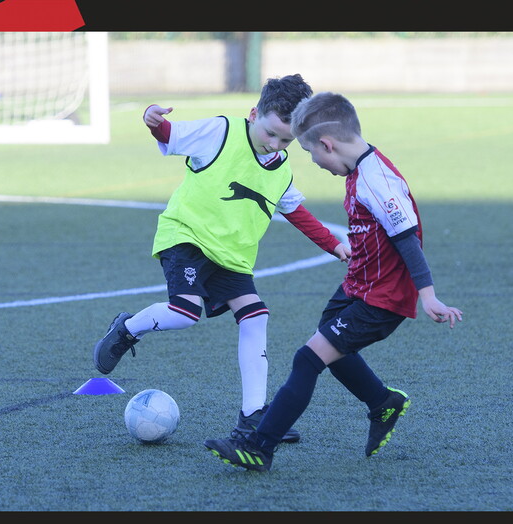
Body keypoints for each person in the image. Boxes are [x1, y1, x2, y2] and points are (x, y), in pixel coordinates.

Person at [203, 91, 463, 471]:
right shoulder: (359, 169)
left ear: (328, 143)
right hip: (358, 284)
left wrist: (429, 296)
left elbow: (407, 238)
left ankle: (259, 447)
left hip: (381, 299)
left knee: (308, 359)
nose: (316, 163)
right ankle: (382, 402)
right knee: (331, 343)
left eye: (312, 155)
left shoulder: (377, 180)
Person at [93, 75, 351, 443]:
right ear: (252, 114)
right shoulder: (221, 132)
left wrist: (334, 245)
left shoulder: (280, 168)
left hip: (231, 257)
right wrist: (154, 120)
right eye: (271, 133)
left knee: (256, 317)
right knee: (184, 313)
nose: (275, 145)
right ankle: (127, 328)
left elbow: (296, 212)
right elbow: (170, 134)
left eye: (286, 139)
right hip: (187, 237)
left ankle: (253, 418)